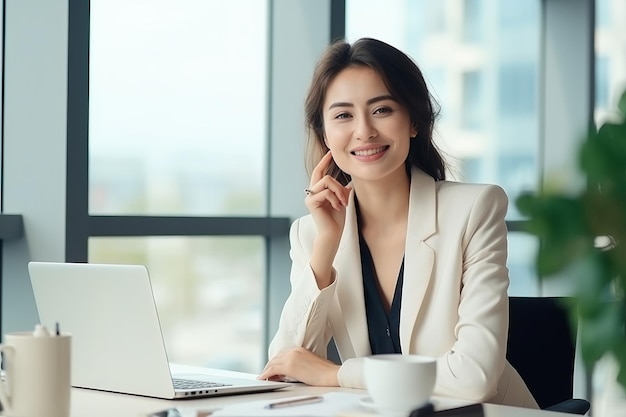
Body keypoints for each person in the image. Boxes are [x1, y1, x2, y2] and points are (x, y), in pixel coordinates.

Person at [257, 37, 538, 408]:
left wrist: (334, 374)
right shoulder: (311, 233)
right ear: (325, 134)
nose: (364, 131)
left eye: (382, 110)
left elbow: (474, 380)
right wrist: (326, 244)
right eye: (343, 115)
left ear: (414, 122)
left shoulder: (474, 210)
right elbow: (284, 369)